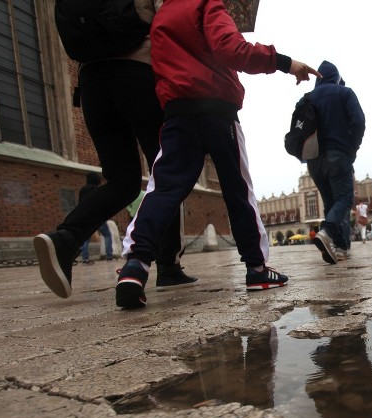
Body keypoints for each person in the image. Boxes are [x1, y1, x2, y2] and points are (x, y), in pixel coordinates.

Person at [115, 0, 320, 308]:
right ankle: (257, 269)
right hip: (217, 111)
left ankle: (135, 266)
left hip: (177, 113)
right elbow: (231, 49)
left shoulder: (160, 18)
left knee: (163, 189)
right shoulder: (206, 3)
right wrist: (286, 63)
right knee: (238, 190)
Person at [34, 0, 196, 300]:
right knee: (167, 173)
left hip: (92, 85)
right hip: (139, 77)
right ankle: (168, 265)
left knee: (122, 181)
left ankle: (66, 238)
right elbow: (171, 24)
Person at [306, 61, 366, 264]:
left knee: (330, 202)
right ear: (336, 77)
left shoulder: (308, 98)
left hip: (313, 160)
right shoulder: (344, 93)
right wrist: (352, 149)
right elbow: (358, 121)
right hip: (338, 154)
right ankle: (327, 231)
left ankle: (340, 248)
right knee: (344, 199)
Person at [76, 172, 113, 263]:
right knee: (107, 235)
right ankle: (109, 256)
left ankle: (85, 258)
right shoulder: (98, 189)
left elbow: (80, 203)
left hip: (86, 217)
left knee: (86, 238)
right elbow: (103, 203)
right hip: (98, 216)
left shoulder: (83, 190)